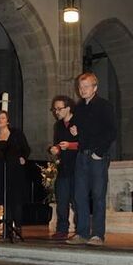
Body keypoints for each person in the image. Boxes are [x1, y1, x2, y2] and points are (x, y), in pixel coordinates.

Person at [66, 72, 116, 246]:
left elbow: (111, 132)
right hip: (82, 156)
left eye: (86, 86)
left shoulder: (104, 106)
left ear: (95, 87)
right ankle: (81, 232)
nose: (82, 90)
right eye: (80, 87)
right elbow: (79, 129)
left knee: (98, 196)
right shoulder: (79, 107)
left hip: (97, 156)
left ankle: (98, 235)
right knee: (79, 195)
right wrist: (75, 132)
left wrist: (99, 152)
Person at [0, 110, 30, 237]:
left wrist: (23, 157)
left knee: (15, 198)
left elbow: (26, 149)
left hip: (15, 169)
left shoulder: (16, 134)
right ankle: (2, 226)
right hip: (1, 169)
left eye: (2, 118)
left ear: (7, 121)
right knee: (1, 197)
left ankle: (16, 226)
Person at [49, 95, 79, 240]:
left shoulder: (78, 121)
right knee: (61, 200)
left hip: (77, 166)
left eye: (59, 109)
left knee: (77, 200)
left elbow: (85, 143)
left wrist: (70, 145)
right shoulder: (58, 125)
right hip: (64, 167)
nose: (56, 112)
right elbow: (58, 144)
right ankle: (62, 229)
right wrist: (56, 149)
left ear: (68, 108)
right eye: (54, 109)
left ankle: (81, 229)